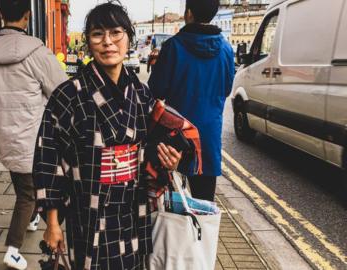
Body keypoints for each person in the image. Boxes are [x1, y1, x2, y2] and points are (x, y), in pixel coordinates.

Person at [33, 2, 182, 269]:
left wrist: (167, 161)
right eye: (97, 34)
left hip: (132, 210)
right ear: (88, 43)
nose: (108, 42)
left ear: (129, 38)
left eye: (116, 33)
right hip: (89, 210)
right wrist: (53, 223)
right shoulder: (68, 95)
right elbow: (49, 158)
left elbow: (153, 150)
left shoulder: (141, 94)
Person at [0, 0, 68, 269]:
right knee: (27, 193)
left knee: (23, 180)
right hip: (36, 134)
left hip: (4, 132)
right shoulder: (37, 51)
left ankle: (35, 217)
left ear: (1, 14)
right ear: (27, 16)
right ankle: (12, 249)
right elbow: (62, 93)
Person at [148, 0, 235, 202]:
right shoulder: (226, 50)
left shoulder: (173, 47)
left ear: (188, 13)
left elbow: (156, 91)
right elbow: (226, 89)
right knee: (204, 206)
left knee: (173, 204)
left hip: (176, 138)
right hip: (208, 141)